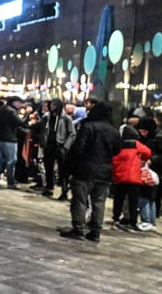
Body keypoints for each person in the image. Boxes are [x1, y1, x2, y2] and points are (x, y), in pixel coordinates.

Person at [60, 100, 119, 242]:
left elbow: (78, 148)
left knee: (80, 199)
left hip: (85, 169)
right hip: (105, 171)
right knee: (99, 202)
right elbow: (117, 151)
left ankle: (78, 228)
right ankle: (95, 231)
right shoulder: (114, 131)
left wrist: (70, 165)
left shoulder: (88, 127)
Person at [111, 125, 150, 232]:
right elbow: (148, 152)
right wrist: (142, 159)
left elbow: (114, 160)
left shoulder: (118, 145)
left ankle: (115, 219)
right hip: (133, 177)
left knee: (119, 199)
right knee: (133, 201)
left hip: (121, 177)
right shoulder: (135, 144)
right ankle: (133, 222)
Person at [37, 98, 75, 198]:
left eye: (54, 105)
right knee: (48, 167)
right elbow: (43, 130)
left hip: (60, 146)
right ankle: (49, 188)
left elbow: (72, 133)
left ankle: (64, 191)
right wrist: (43, 142)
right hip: (49, 146)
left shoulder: (66, 118)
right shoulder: (47, 117)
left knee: (63, 170)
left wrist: (66, 146)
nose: (51, 106)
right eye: (51, 105)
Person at [0, 96, 26, 188]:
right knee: (11, 160)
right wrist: (28, 114)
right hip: (9, 139)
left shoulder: (1, 109)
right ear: (14, 102)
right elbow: (20, 122)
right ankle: (10, 182)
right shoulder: (11, 111)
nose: (21, 105)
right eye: (19, 102)